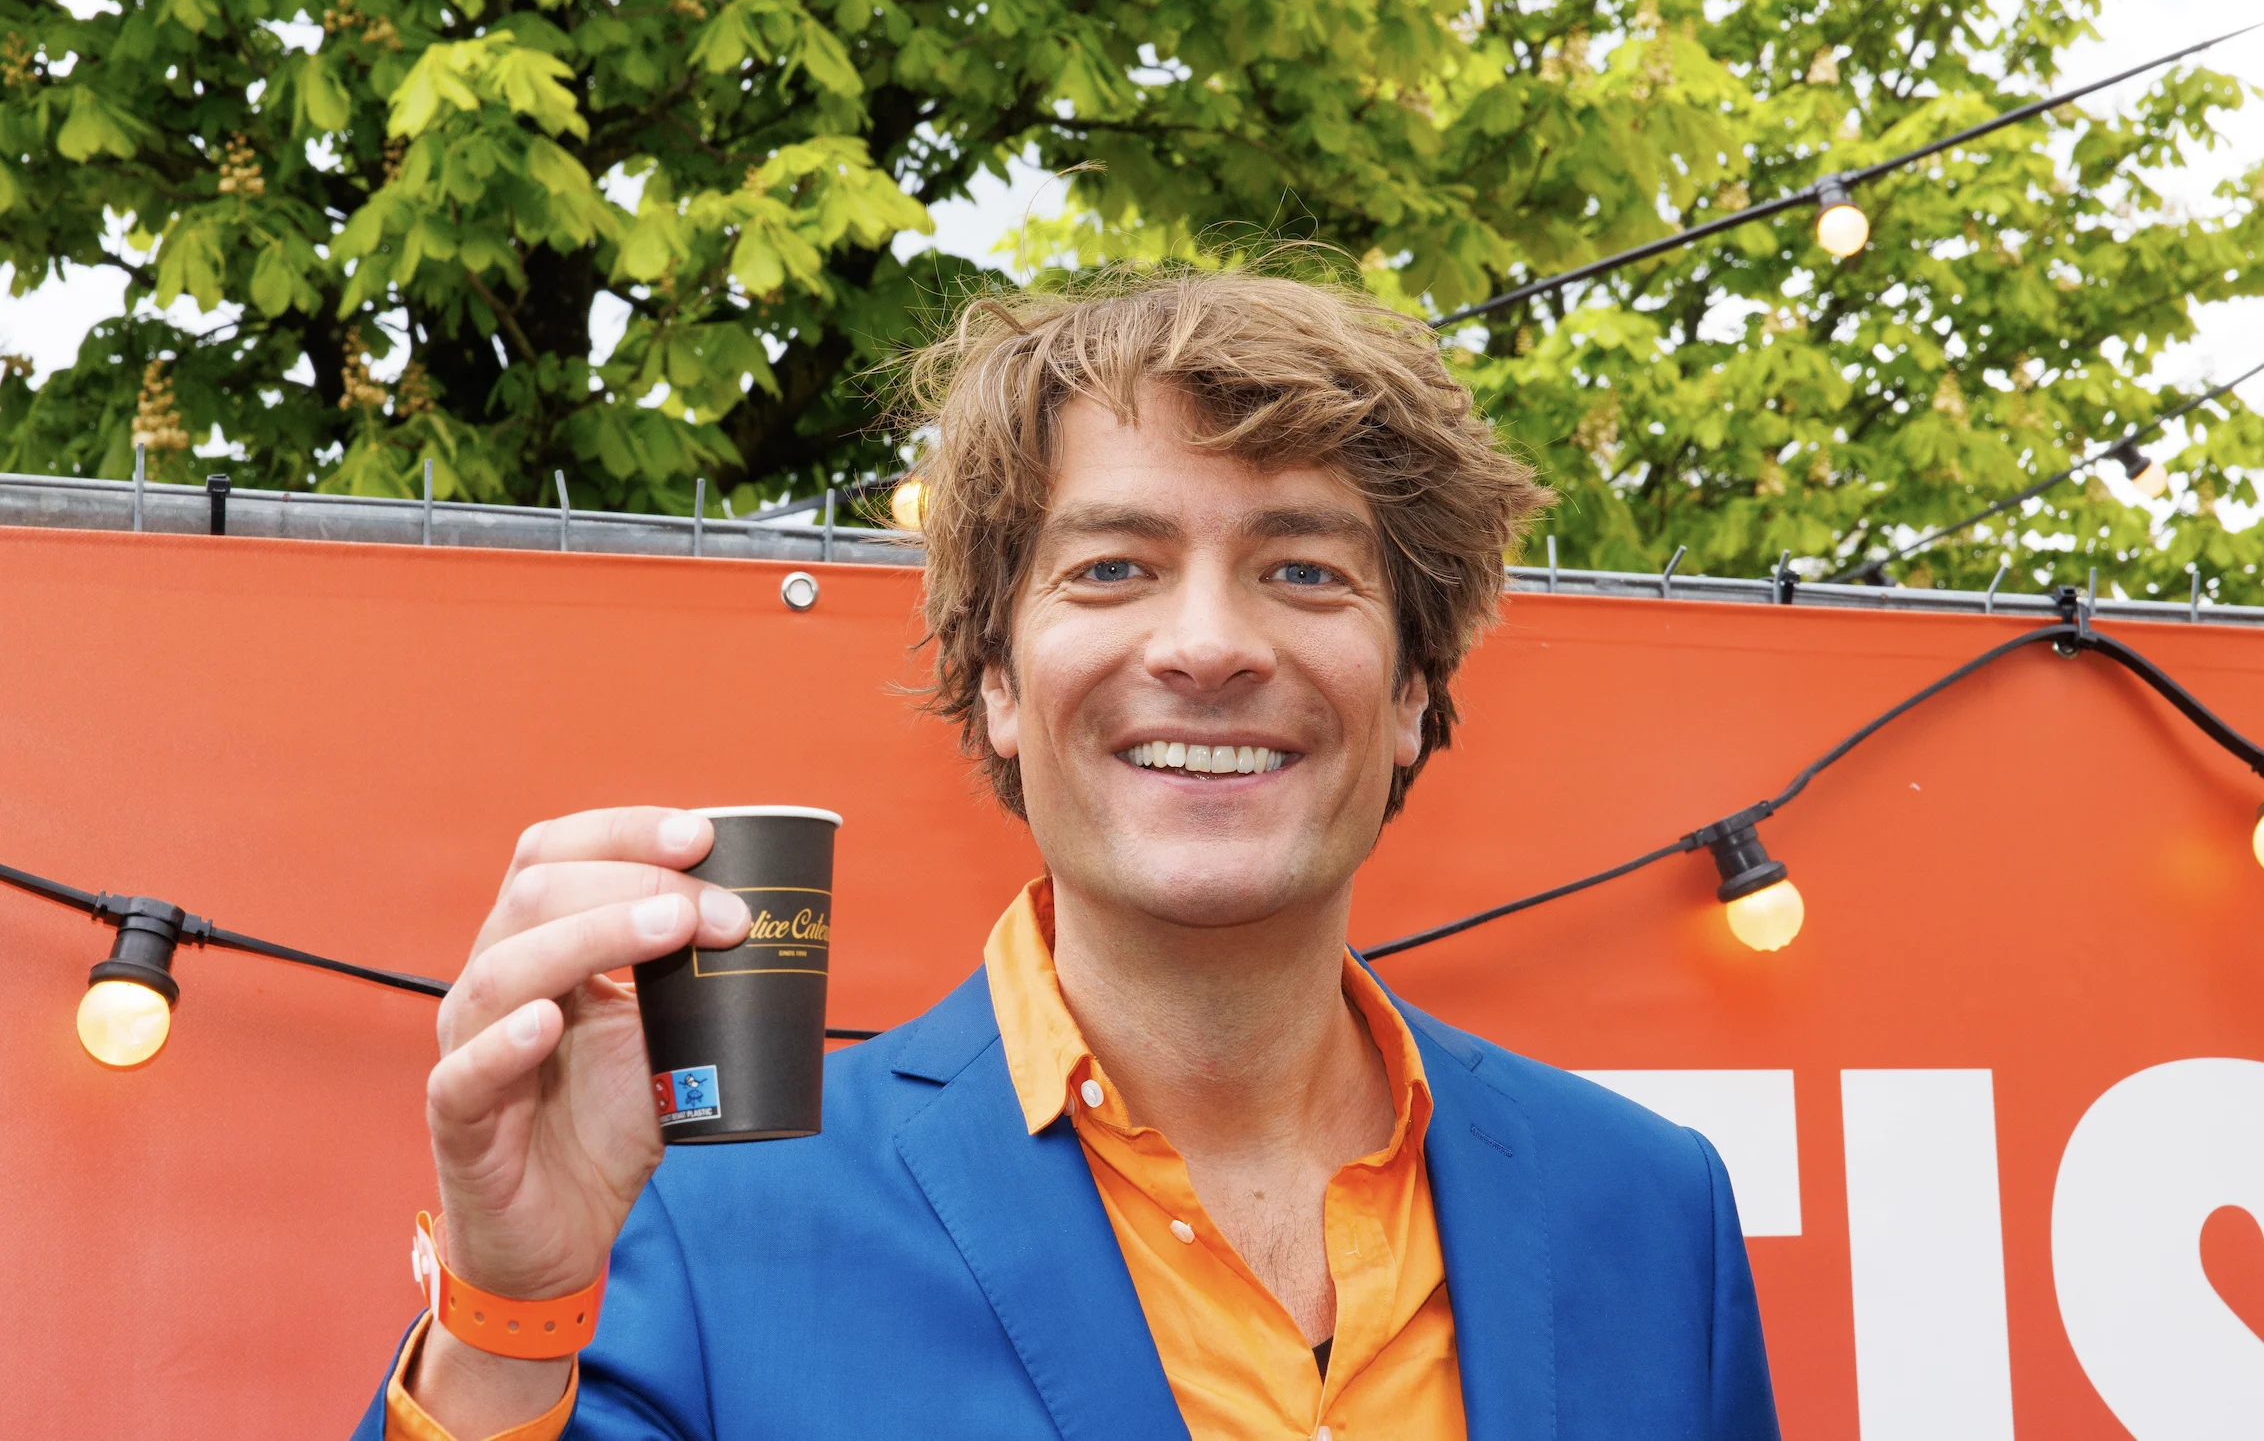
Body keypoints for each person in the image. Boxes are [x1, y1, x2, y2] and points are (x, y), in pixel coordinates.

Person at [357, 269, 1780, 1441]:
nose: (1208, 646)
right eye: (1112, 569)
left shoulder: (1651, 1213)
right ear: (997, 680)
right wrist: (506, 1317)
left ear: (1411, 688)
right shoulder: (695, 1210)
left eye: (1303, 569)